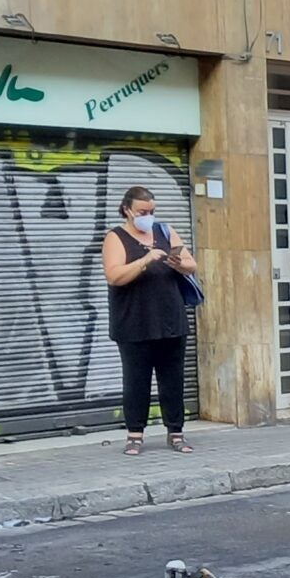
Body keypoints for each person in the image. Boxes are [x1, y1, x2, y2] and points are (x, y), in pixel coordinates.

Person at [100, 185, 199, 457]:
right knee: (136, 380)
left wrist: (177, 262)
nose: (148, 216)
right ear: (127, 210)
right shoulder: (115, 237)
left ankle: (176, 432)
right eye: (143, 211)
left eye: (152, 211)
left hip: (170, 318)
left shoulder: (165, 231)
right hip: (134, 321)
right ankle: (135, 435)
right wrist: (145, 259)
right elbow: (114, 276)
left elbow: (191, 264)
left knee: (173, 379)